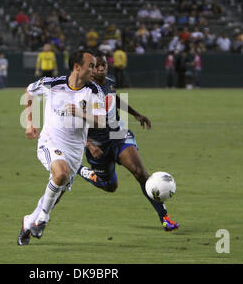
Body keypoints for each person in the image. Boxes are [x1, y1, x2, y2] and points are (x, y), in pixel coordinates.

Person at [76, 50, 179, 231]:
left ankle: (165, 218)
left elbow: (115, 100)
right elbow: (72, 122)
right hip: (97, 143)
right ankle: (81, 170)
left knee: (140, 173)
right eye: (96, 66)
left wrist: (136, 114)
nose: (100, 68)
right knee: (110, 186)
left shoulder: (110, 83)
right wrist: (89, 145)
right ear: (90, 69)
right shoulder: (82, 90)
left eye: (104, 65)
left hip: (117, 135)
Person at [17, 50, 106, 245]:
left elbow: (101, 121)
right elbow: (29, 91)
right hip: (50, 141)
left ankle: (29, 221)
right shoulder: (53, 84)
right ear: (77, 67)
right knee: (60, 174)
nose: (95, 70)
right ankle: (42, 220)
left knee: (56, 193)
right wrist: (30, 123)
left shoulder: (94, 91)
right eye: (91, 66)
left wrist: (82, 113)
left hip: (75, 152)